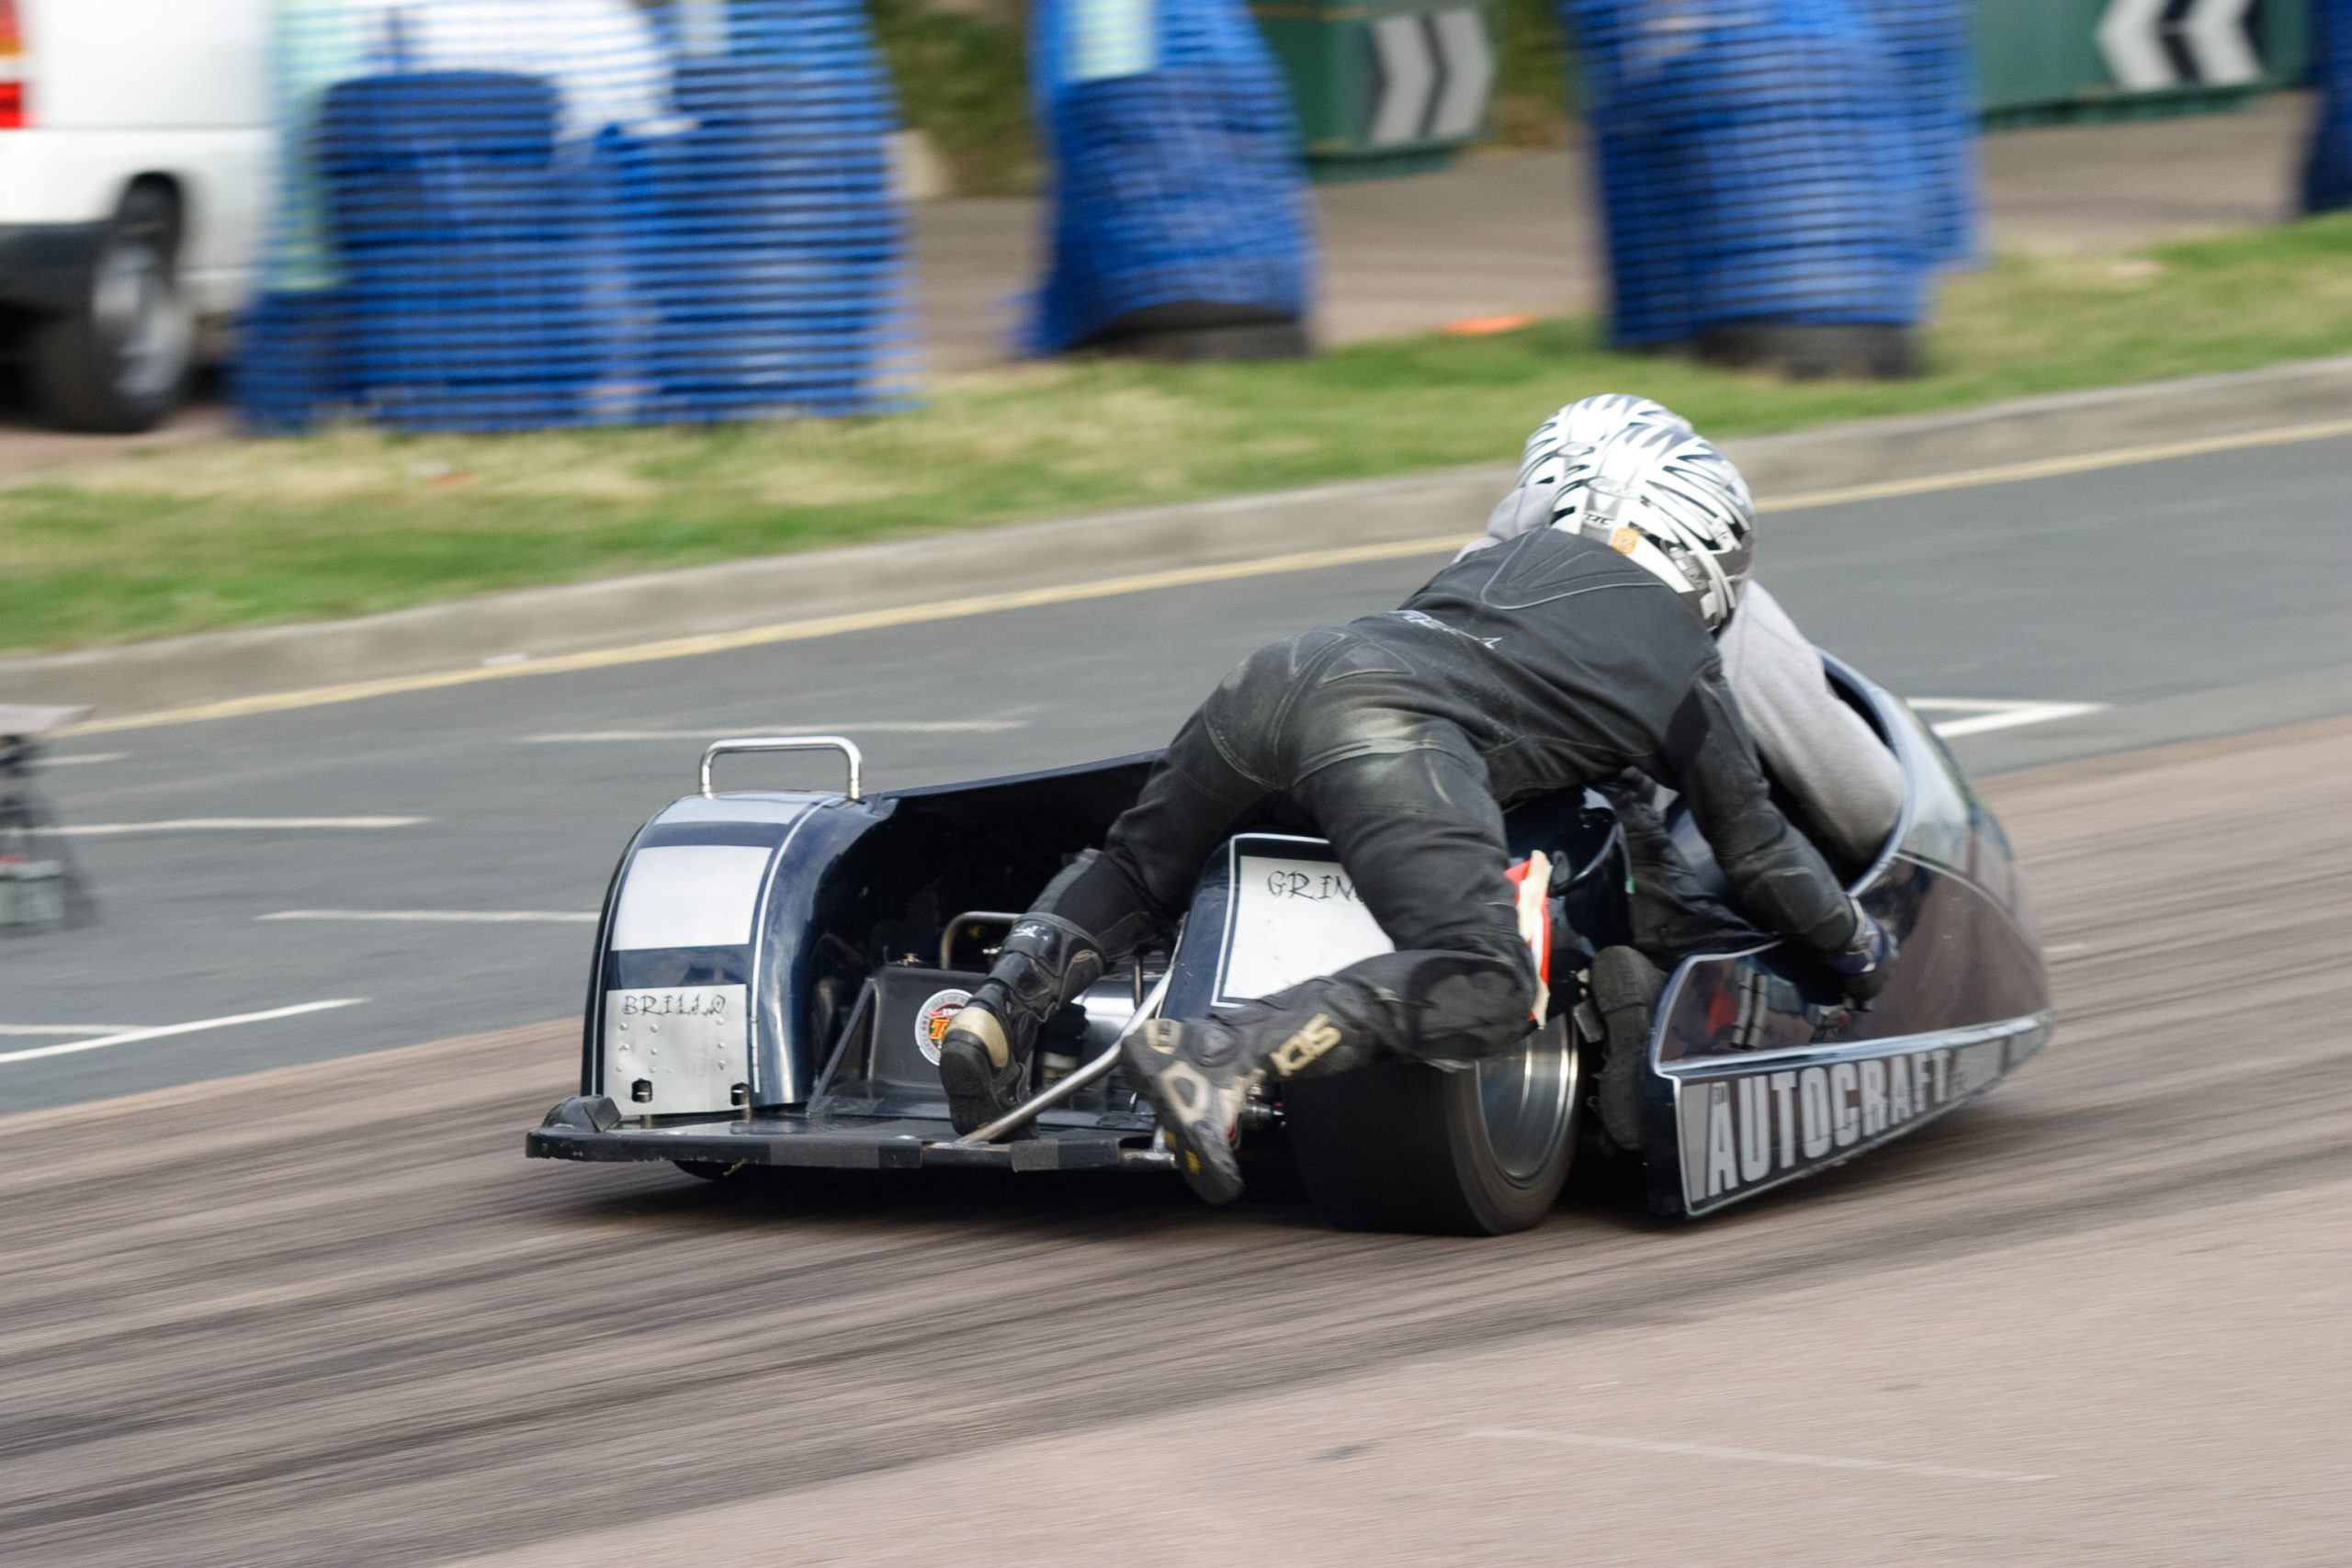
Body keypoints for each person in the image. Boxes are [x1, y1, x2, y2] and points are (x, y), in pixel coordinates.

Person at [939, 397, 1896, 1202]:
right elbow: (1760, 855)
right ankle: (1220, 1054)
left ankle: (994, 1013)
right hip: (1388, 732)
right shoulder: (1688, 669)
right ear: (1706, 552)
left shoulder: (1494, 564)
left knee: (1140, 870)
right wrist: (1854, 943)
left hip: (1277, 673)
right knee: (1486, 985)